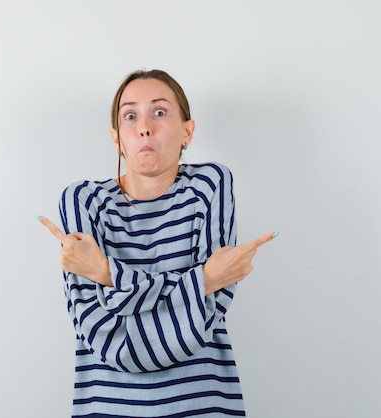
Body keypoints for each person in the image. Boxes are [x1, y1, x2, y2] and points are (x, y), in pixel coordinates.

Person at [38, 69, 277, 417]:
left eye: (160, 112)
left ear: (187, 131)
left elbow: (210, 312)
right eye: (130, 116)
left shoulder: (209, 186)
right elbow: (105, 337)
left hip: (202, 404)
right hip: (107, 407)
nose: (144, 127)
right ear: (116, 138)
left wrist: (107, 274)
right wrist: (205, 280)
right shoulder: (83, 200)